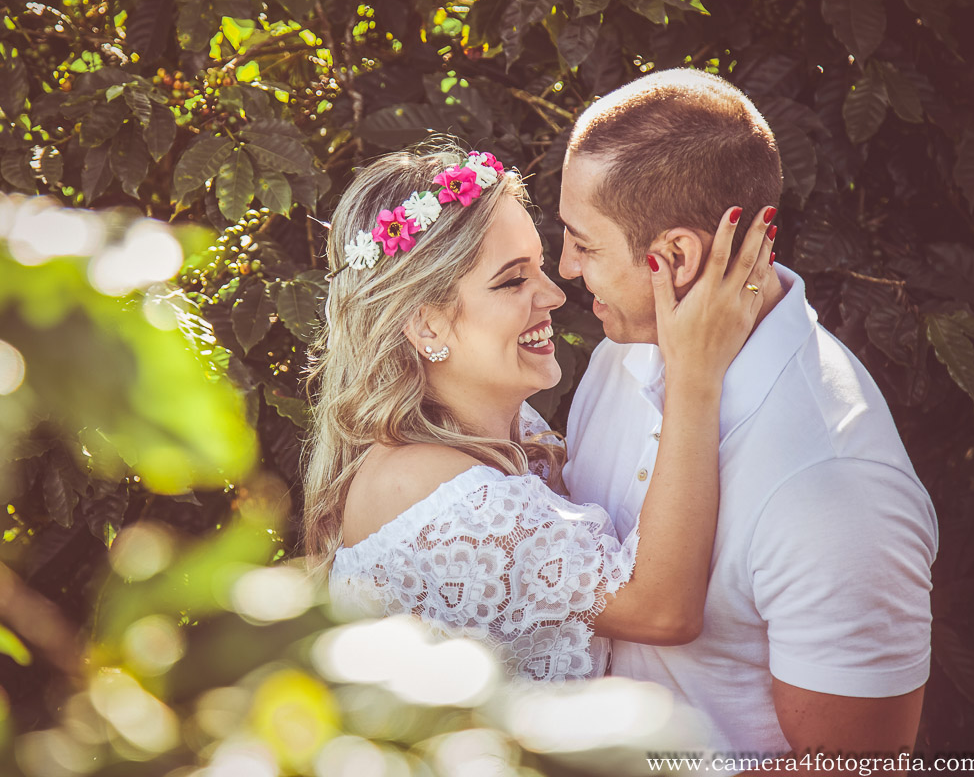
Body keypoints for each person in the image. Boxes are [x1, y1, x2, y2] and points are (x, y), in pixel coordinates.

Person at [558, 68, 938, 764]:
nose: (565, 267)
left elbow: (855, 765)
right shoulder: (627, 351)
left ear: (673, 257)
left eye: (584, 245)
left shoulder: (833, 485)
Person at [302, 143, 776, 682]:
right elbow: (662, 610)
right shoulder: (431, 490)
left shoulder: (507, 432)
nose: (553, 294)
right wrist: (694, 374)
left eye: (541, 267)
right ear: (426, 325)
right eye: (512, 280)